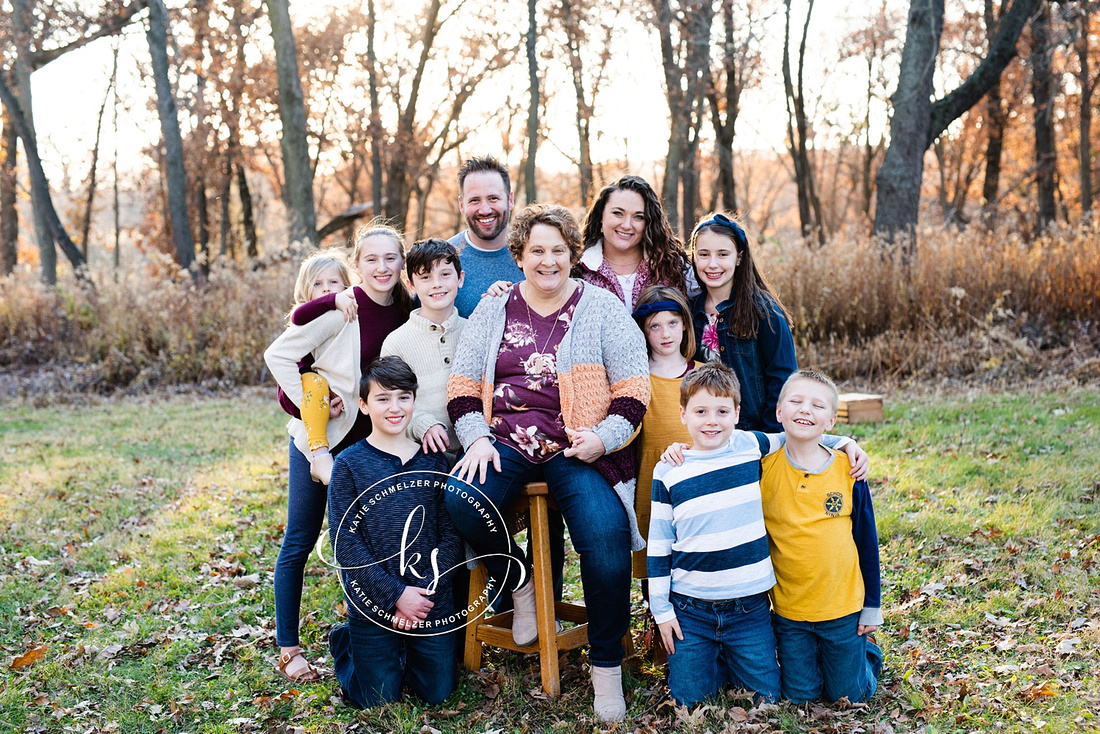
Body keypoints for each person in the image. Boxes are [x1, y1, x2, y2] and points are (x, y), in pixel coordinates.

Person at [445, 204, 650, 722]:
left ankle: (605, 670)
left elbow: (633, 390)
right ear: (519, 255)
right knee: (462, 499)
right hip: (505, 441)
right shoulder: (494, 309)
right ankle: (520, 584)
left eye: (558, 249)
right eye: (537, 249)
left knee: (605, 542)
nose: (548, 260)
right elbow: (464, 385)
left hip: (576, 448)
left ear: (572, 254)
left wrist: (603, 439)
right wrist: (475, 438)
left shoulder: (602, 308)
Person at [648, 362, 867, 708]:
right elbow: (659, 547)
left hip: (749, 609)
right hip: (692, 607)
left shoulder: (748, 446)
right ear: (682, 414)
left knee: (766, 699)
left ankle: (733, 657)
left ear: (737, 413)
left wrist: (846, 442)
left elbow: (797, 435)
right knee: (689, 700)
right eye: (700, 411)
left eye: (722, 411)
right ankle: (711, 659)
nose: (711, 421)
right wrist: (661, 609)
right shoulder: (670, 470)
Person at [263, 224, 413, 683]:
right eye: (372, 259)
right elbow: (279, 356)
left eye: (391, 259)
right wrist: (310, 409)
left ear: (402, 263)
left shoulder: (409, 309)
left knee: (370, 546)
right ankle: (289, 648)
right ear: (357, 264)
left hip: (377, 446)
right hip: (323, 442)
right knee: (300, 540)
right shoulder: (344, 307)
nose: (382, 268)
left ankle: (377, 640)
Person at [327, 356, 462, 708]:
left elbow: (450, 536)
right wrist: (396, 595)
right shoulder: (349, 465)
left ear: (415, 401)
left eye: (403, 397)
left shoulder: (435, 462)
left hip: (429, 602)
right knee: (377, 699)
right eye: (383, 398)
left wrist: (422, 595)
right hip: (374, 600)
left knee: (437, 693)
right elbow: (345, 545)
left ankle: (407, 653)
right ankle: (348, 643)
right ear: (364, 405)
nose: (394, 407)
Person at [761, 369, 883, 704]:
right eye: (796, 401)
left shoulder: (848, 470)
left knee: (850, 695)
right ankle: (824, 661)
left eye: (817, 405)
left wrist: (872, 605)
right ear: (779, 411)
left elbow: (866, 542)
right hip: (790, 611)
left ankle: (868, 654)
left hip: (842, 607)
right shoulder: (764, 469)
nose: (804, 410)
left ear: (831, 421)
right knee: (801, 696)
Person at [689, 212, 797, 432]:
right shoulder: (689, 312)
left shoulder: (764, 312)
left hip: (751, 432)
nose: (712, 264)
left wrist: (768, 437)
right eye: (704, 254)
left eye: (722, 254)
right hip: (703, 433)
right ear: (694, 257)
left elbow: (783, 378)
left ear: (738, 258)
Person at [629, 285, 698, 582]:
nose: (665, 333)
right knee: (658, 562)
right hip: (653, 482)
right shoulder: (638, 376)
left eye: (672, 323)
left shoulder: (703, 374)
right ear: (644, 332)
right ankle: (657, 624)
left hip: (697, 480)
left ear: (684, 323)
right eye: (654, 326)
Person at [380, 239, 466, 456]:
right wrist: (423, 424)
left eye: (445, 274)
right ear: (411, 286)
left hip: (475, 448)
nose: (436, 284)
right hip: (421, 452)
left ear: (460, 278)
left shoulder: (474, 332)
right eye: (425, 277)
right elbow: (391, 403)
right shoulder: (396, 342)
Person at [284, 253, 358, 485]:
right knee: (317, 385)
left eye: (333, 282)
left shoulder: (347, 314)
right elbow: (297, 315)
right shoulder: (307, 314)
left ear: (346, 284)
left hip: (326, 394)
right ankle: (319, 454)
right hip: (304, 380)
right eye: (318, 284)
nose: (326, 289)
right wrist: (334, 300)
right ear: (307, 291)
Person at [576, 175, 696, 312]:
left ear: (648, 222)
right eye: (618, 213)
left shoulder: (673, 267)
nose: (627, 225)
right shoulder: (577, 270)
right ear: (601, 216)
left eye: (638, 217)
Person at [448, 156, 524, 318]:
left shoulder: (537, 256)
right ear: (462, 205)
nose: (484, 210)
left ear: (510, 200)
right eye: (475, 200)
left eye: (493, 198)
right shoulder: (444, 259)